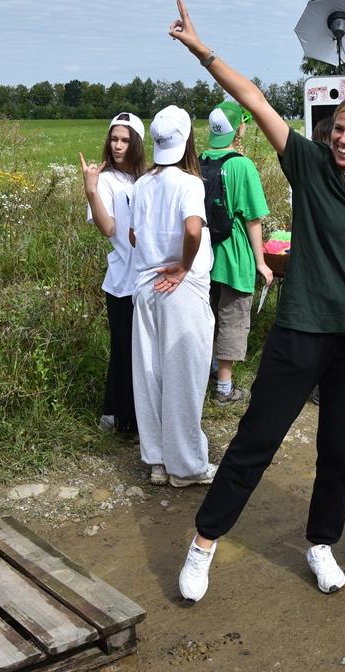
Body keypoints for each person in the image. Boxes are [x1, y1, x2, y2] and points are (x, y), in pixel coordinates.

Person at [167, 0, 345, 602]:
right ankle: (203, 544)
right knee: (255, 442)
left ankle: (321, 544)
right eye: (339, 129)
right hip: (303, 330)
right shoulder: (310, 164)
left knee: (340, 452)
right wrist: (202, 50)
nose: (343, 139)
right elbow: (255, 101)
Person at [127, 105, 216, 488]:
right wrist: (181, 264)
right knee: (184, 377)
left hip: (145, 286)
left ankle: (158, 461)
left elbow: (133, 235)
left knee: (150, 375)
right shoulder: (189, 183)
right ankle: (188, 467)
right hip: (180, 287)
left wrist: (154, 251)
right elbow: (193, 230)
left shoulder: (141, 184)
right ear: (186, 141)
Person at [201, 100, 274, 404]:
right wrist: (261, 262)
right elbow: (253, 218)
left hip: (204, 255)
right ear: (238, 128)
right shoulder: (241, 165)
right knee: (232, 317)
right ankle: (224, 390)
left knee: (210, 315)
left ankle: (210, 370)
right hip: (234, 256)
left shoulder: (199, 159)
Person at [80, 112, 146, 434]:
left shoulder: (144, 177)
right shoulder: (104, 180)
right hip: (122, 281)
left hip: (148, 279)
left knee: (143, 351)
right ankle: (116, 417)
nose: (118, 145)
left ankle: (134, 416)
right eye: (114, 138)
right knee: (123, 349)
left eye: (125, 139)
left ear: (137, 143)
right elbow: (108, 228)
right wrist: (90, 190)